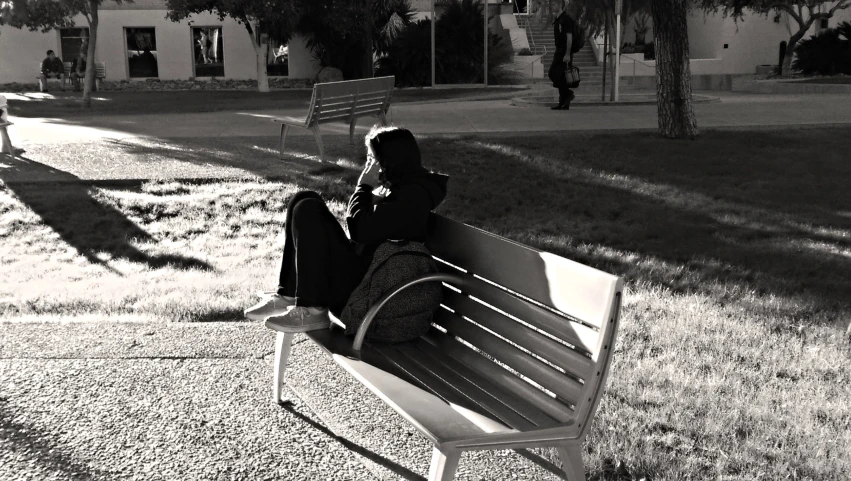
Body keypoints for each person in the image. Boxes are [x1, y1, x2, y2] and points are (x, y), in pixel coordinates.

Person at [245, 126, 449, 333]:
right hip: (366, 279)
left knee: (309, 208)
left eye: (372, 159)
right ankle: (288, 294)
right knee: (304, 198)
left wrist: (363, 187)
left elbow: (360, 231)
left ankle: (313, 310)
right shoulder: (407, 188)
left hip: (368, 296)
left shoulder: (413, 196)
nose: (368, 166)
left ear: (391, 160)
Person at [548, 1, 576, 110]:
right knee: (561, 77)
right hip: (559, 50)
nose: (552, 6)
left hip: (564, 52)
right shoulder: (558, 19)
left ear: (560, 5)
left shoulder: (566, 19)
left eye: (554, 4)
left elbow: (569, 38)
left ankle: (568, 94)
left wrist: (568, 54)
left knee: (553, 74)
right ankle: (563, 103)